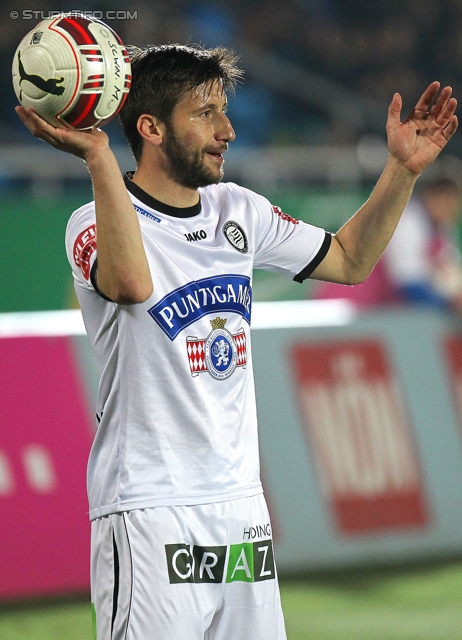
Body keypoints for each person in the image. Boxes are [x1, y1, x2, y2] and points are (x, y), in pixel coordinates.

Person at [16, 43, 457, 640]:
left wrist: (402, 170)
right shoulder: (91, 222)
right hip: (150, 508)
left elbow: (351, 260)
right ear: (150, 127)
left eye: (225, 110)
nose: (226, 130)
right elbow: (130, 283)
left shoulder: (238, 211)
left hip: (241, 510)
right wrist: (97, 158)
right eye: (205, 113)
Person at [314, 176, 462, 311]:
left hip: (378, 306)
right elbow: (408, 281)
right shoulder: (405, 222)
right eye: (444, 200)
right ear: (429, 197)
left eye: (453, 202)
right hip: (347, 301)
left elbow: (446, 274)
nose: (448, 208)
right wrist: (447, 303)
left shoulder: (443, 229)